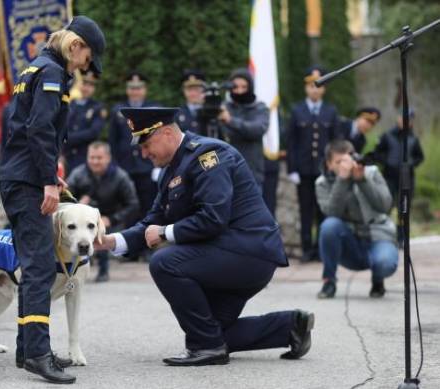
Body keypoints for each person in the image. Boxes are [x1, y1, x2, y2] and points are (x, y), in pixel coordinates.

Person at [95, 107, 314, 367]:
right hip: (228, 253)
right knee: (212, 330)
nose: (143, 153)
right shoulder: (170, 171)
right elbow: (151, 221)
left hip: (249, 252)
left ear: (166, 132)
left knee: (165, 262)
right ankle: (290, 326)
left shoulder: (209, 155)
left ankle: (208, 348)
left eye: (146, 144)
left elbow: (214, 217)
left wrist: (166, 233)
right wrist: (110, 241)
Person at [0, 15, 105, 384]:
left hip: (20, 175)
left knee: (34, 265)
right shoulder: (53, 73)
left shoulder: (36, 68)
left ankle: (27, 349)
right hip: (26, 181)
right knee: (41, 268)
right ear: (75, 46)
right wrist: (46, 180)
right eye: (87, 58)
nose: (85, 66)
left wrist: (50, 176)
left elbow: (24, 130)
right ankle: (38, 355)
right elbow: (40, 129)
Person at [315, 140, 398, 298]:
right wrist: (342, 180)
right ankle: (329, 282)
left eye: (347, 160)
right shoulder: (321, 183)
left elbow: (385, 206)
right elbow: (332, 212)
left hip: (378, 236)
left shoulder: (371, 172)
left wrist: (362, 181)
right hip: (350, 244)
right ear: (329, 164)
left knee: (385, 263)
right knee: (329, 226)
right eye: (339, 162)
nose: (344, 166)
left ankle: (378, 279)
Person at [286, 66, 339, 262]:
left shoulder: (330, 111)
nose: (314, 89)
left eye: (318, 86)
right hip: (304, 170)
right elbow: (291, 142)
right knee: (305, 211)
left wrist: (335, 166)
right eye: (310, 86)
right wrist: (292, 168)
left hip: (324, 171)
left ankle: (321, 249)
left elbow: (336, 142)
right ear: (306, 88)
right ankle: (307, 249)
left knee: (323, 211)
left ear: (323, 89)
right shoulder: (297, 110)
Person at [66, 141, 139, 282]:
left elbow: (133, 204)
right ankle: (71, 270)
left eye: (99, 158)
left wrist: (111, 219)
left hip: (110, 217)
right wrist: (77, 205)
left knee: (102, 231)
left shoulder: (121, 177)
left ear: (108, 158)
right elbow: (64, 199)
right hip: (82, 218)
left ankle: (103, 270)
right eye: (91, 157)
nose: (94, 161)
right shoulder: (77, 174)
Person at [109, 71, 158, 219]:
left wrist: (158, 165)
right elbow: (113, 140)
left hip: (148, 165)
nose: (135, 91)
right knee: (126, 206)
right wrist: (114, 164)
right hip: (125, 165)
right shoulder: (118, 110)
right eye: (132, 88)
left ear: (145, 89)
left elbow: (159, 139)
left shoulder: (154, 109)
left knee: (149, 205)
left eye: (138, 88)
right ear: (127, 89)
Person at [219, 68, 270, 186]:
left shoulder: (260, 108)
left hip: (251, 172)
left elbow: (258, 129)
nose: (240, 91)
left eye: (244, 87)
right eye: (235, 87)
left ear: (250, 88)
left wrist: (231, 121)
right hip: (226, 170)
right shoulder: (224, 107)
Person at [373, 109, 424, 206]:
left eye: (408, 120)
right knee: (386, 203)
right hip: (389, 176)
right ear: (398, 118)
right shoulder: (387, 136)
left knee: (404, 207)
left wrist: (411, 164)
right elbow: (377, 153)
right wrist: (387, 161)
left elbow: (420, 157)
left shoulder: (414, 139)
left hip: (407, 177)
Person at [63, 70, 107, 175]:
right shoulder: (68, 104)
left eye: (90, 85)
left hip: (87, 157)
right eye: (84, 83)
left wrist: (68, 138)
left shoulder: (97, 108)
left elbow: (93, 132)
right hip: (67, 157)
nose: (86, 88)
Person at [176, 69, 205, 134]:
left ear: (204, 90)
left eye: (196, 89)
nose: (193, 93)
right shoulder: (177, 114)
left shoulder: (212, 111)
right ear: (184, 91)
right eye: (189, 90)